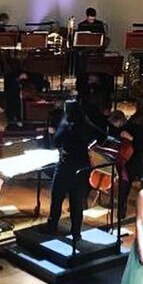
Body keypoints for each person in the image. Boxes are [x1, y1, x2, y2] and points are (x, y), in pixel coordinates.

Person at [46, 97, 102, 247]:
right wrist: (90, 147)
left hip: (65, 167)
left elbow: (56, 142)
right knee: (77, 202)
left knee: (57, 197)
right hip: (83, 169)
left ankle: (52, 226)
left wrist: (51, 133)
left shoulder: (65, 125)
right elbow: (102, 135)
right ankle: (76, 233)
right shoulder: (86, 124)